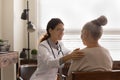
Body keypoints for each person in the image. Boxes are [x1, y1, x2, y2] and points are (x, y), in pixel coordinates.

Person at [67, 15, 113, 80]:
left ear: (86, 33)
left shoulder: (80, 54)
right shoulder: (107, 52)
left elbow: (70, 78)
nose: (81, 36)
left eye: (81, 33)